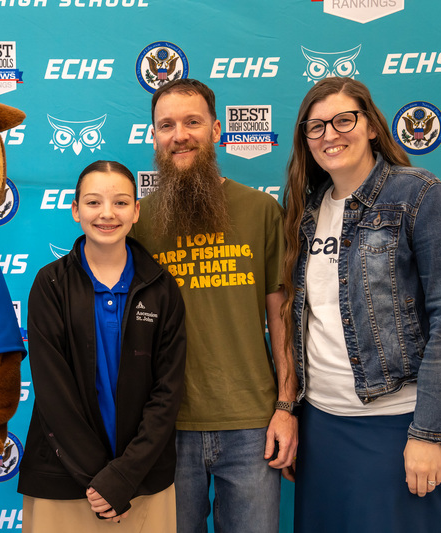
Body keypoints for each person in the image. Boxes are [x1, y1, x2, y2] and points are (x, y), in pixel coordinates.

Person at [282, 77, 441, 532]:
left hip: (400, 420)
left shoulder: (419, 194)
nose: (330, 134)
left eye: (343, 120)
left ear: (370, 126)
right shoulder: (306, 211)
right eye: (316, 127)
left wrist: (427, 434)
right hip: (325, 424)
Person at [129, 78, 297, 533]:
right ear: (154, 137)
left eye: (192, 122)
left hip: (252, 425)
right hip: (166, 428)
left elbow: (281, 317)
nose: (179, 134)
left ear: (218, 130)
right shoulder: (137, 225)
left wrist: (286, 407)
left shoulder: (260, 210)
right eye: (166, 125)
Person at [18, 160, 187, 533]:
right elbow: (53, 393)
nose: (107, 214)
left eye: (121, 202)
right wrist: (103, 482)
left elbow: (168, 392)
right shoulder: (50, 285)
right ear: (76, 210)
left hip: (141, 481)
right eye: (93, 203)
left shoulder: (162, 288)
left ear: (137, 211)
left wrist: (123, 477)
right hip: (63, 479)